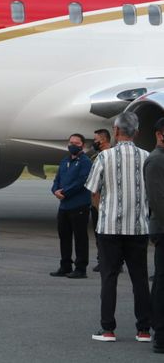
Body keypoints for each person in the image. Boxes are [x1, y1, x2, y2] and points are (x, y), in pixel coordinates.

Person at [86, 112, 151, 342]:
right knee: (140, 279)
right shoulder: (147, 157)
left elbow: (93, 191)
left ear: (115, 131)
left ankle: (108, 329)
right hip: (138, 227)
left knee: (109, 278)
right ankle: (144, 329)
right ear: (137, 132)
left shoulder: (104, 157)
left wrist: (103, 208)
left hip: (109, 227)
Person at [49, 133, 92, 279]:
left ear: (82, 145)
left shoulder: (85, 162)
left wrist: (65, 192)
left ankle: (81, 267)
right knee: (64, 237)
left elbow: (81, 181)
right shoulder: (64, 161)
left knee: (80, 238)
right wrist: (55, 190)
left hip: (79, 205)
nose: (73, 145)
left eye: (76, 143)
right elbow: (57, 179)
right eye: (71, 142)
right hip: (64, 206)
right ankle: (65, 265)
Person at [145, 118, 164, 353]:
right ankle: (160, 334)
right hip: (162, 229)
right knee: (162, 282)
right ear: (160, 134)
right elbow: (158, 201)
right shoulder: (156, 161)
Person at [90, 128, 112, 273]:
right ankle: (102, 259)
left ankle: (110, 261)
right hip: (95, 202)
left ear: (103, 140)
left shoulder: (108, 156)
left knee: (107, 236)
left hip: (105, 202)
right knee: (99, 235)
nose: (94, 142)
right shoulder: (95, 157)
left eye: (96, 139)